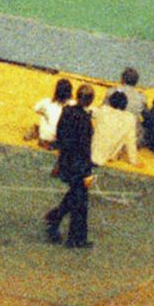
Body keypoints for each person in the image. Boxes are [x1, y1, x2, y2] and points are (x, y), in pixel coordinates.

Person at [45, 87, 93, 248]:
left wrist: (60, 161)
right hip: (78, 164)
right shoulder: (85, 120)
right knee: (80, 201)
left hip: (66, 160)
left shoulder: (67, 112)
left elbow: (60, 136)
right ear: (90, 100)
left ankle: (56, 218)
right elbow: (85, 147)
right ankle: (76, 238)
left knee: (75, 195)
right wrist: (87, 172)